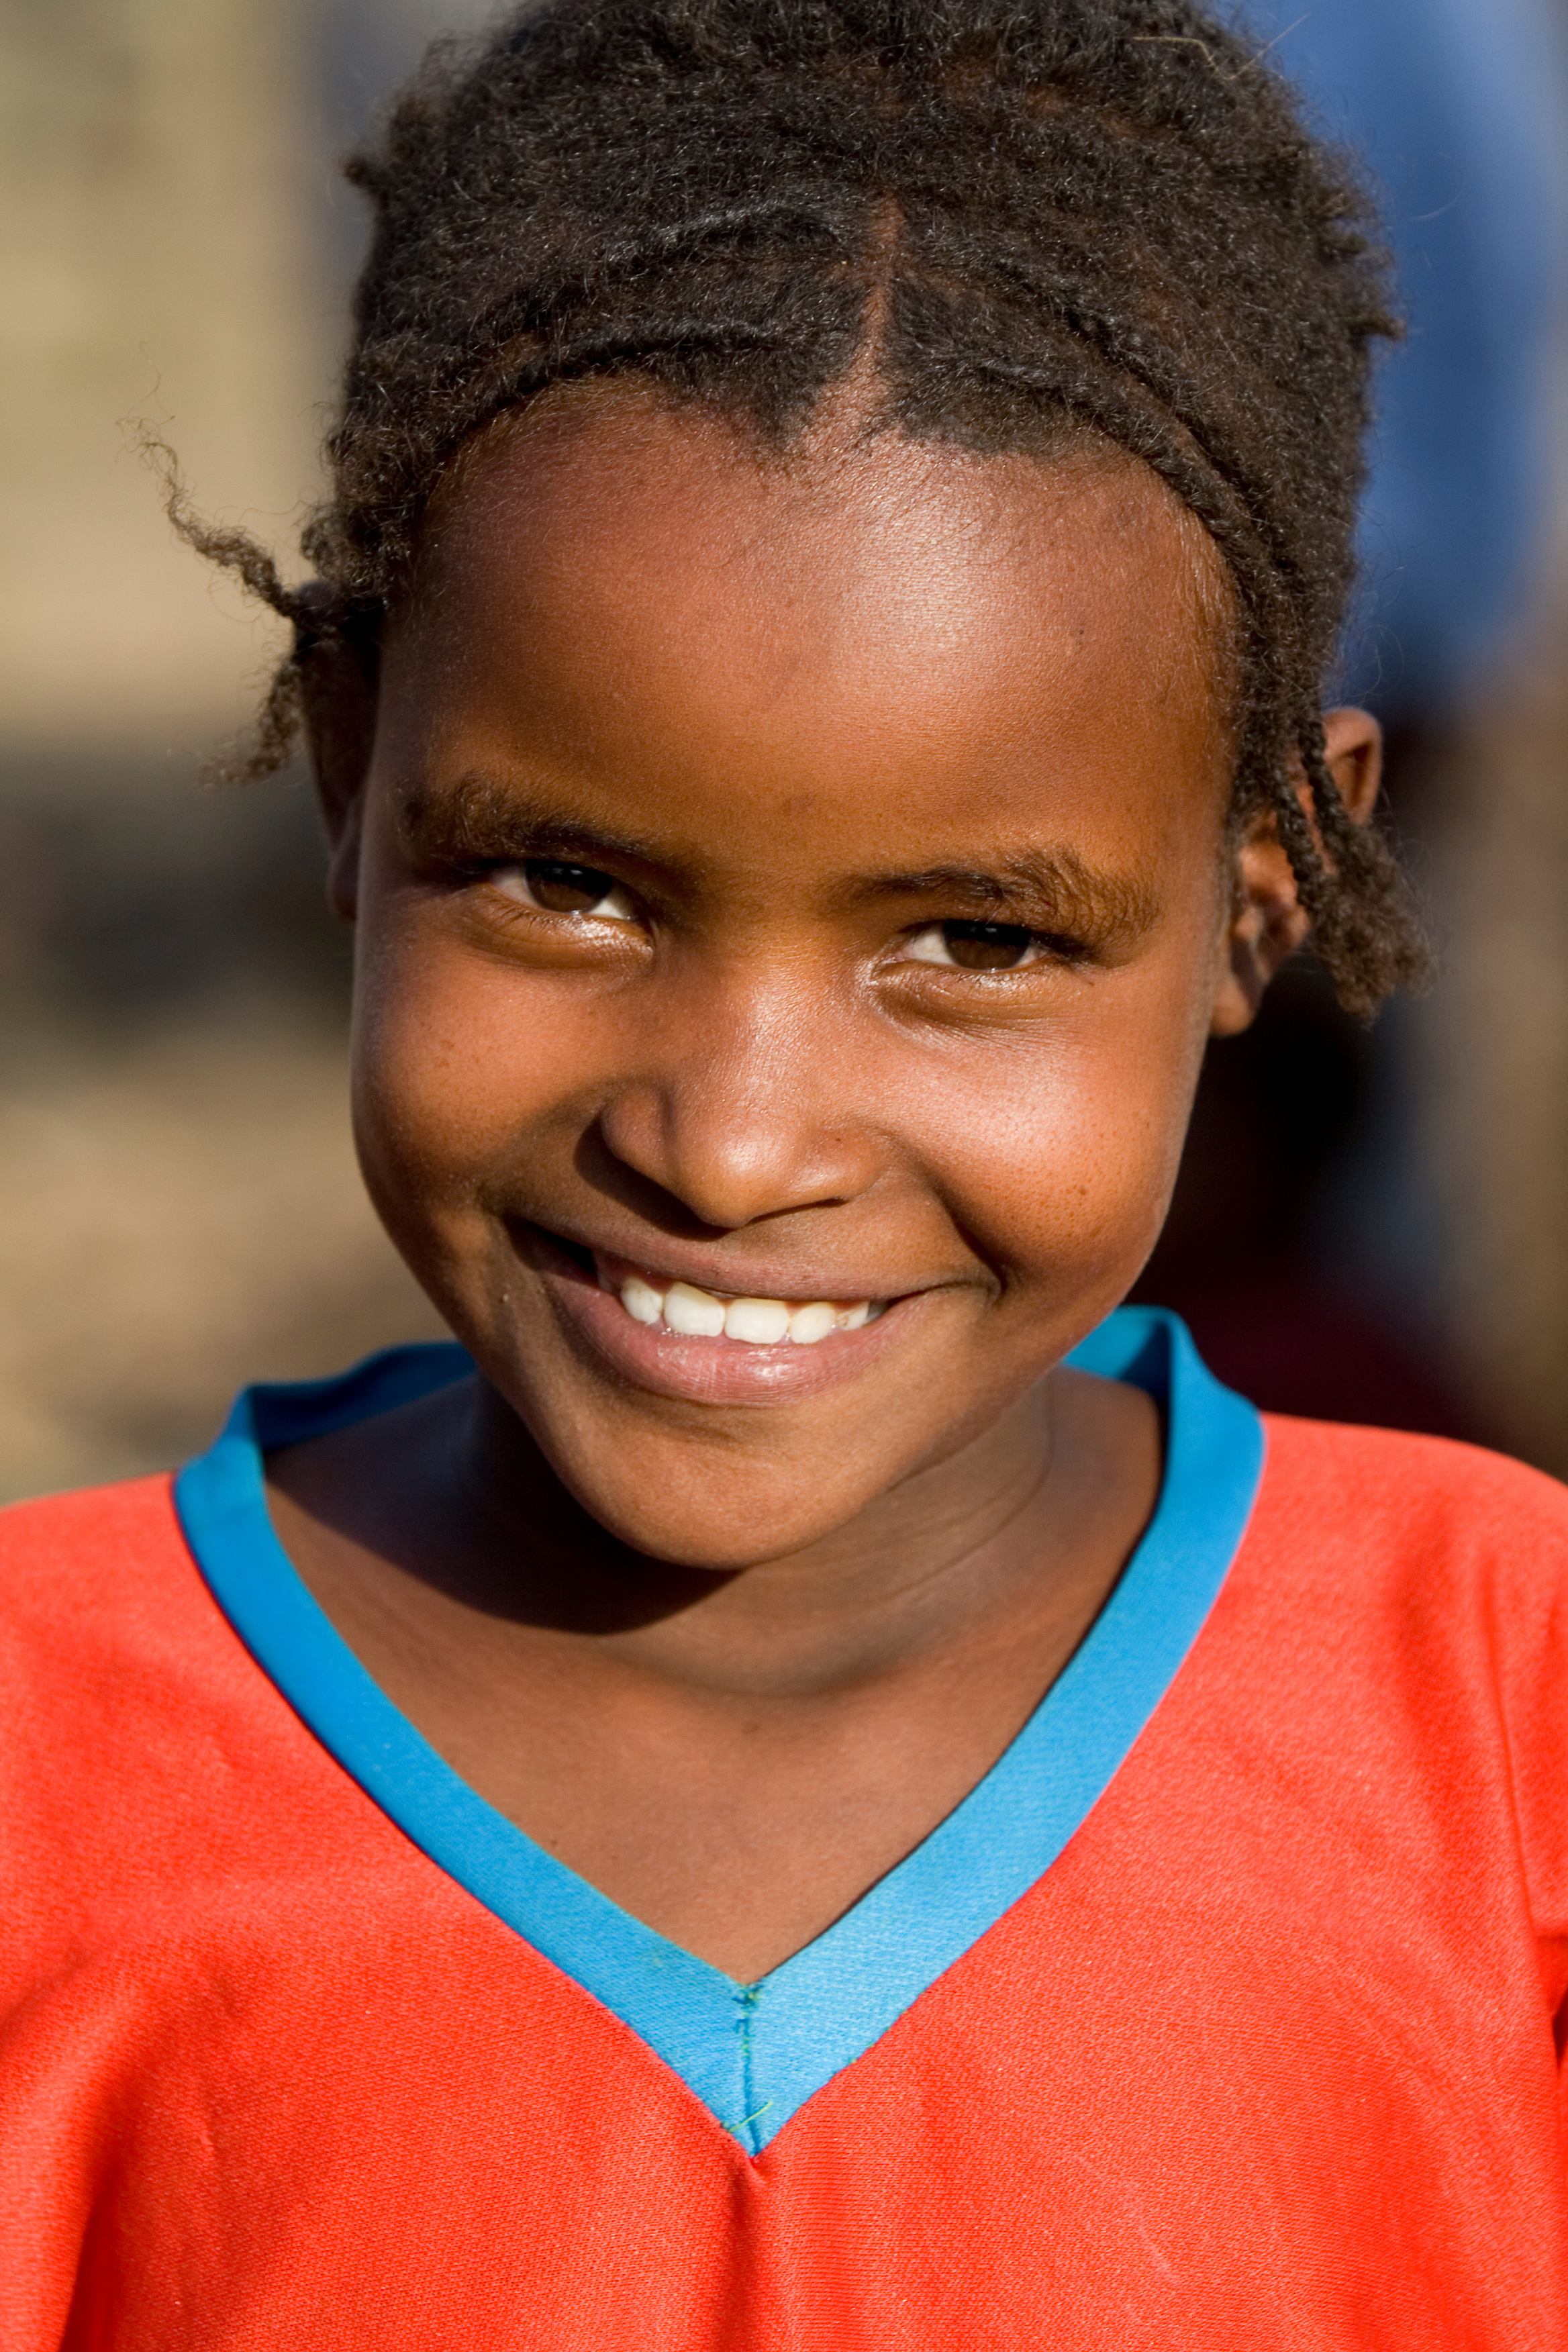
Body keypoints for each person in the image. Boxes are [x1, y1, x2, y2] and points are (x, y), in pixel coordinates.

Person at [3, 3, 1565, 2341]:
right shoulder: (42, 1767)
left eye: (973, 940)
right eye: (567, 886)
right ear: (350, 774)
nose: (729, 1145)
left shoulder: (1507, 1720)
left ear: (1268, 894)